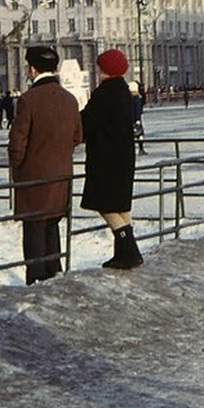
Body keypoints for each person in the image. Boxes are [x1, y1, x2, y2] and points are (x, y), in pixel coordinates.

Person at [8, 45, 83, 286]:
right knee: (52, 224)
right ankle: (54, 271)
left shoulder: (28, 100)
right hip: (61, 173)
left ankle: (36, 278)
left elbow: (17, 140)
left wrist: (18, 167)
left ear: (32, 68)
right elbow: (77, 136)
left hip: (34, 174)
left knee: (34, 228)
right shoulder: (69, 99)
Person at [80, 49, 143, 270]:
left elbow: (87, 122)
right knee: (121, 206)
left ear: (105, 69)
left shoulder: (104, 93)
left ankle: (129, 252)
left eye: (100, 67)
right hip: (123, 155)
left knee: (104, 203)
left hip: (106, 157)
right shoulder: (124, 91)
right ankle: (125, 253)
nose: (97, 71)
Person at [129, 81, 147, 155]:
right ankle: (141, 148)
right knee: (139, 134)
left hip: (129, 119)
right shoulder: (136, 98)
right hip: (136, 119)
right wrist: (137, 119)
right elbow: (138, 109)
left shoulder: (128, 98)